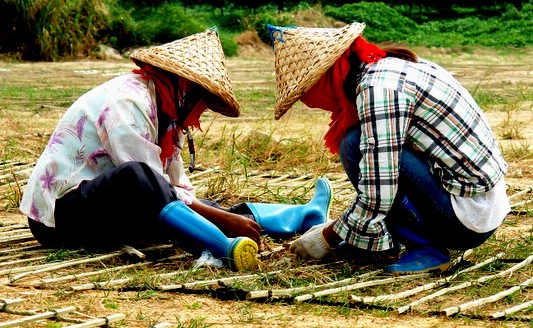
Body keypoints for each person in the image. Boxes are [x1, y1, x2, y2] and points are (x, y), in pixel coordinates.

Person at [20, 28, 333, 271]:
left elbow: (177, 190)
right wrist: (220, 220)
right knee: (139, 177)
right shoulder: (127, 103)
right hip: (61, 217)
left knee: (195, 205)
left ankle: (302, 216)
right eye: (203, 103)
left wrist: (216, 213)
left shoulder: (168, 116)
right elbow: (147, 183)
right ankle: (224, 248)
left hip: (108, 212)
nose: (201, 115)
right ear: (186, 90)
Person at [267, 22, 510, 274]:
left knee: (354, 145)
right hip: (479, 201)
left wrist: (329, 236)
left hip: (467, 218)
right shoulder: (385, 66)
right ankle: (380, 241)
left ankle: (427, 250)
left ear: (323, 78)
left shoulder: (378, 90)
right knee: (365, 146)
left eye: (307, 91)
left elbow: (379, 188)